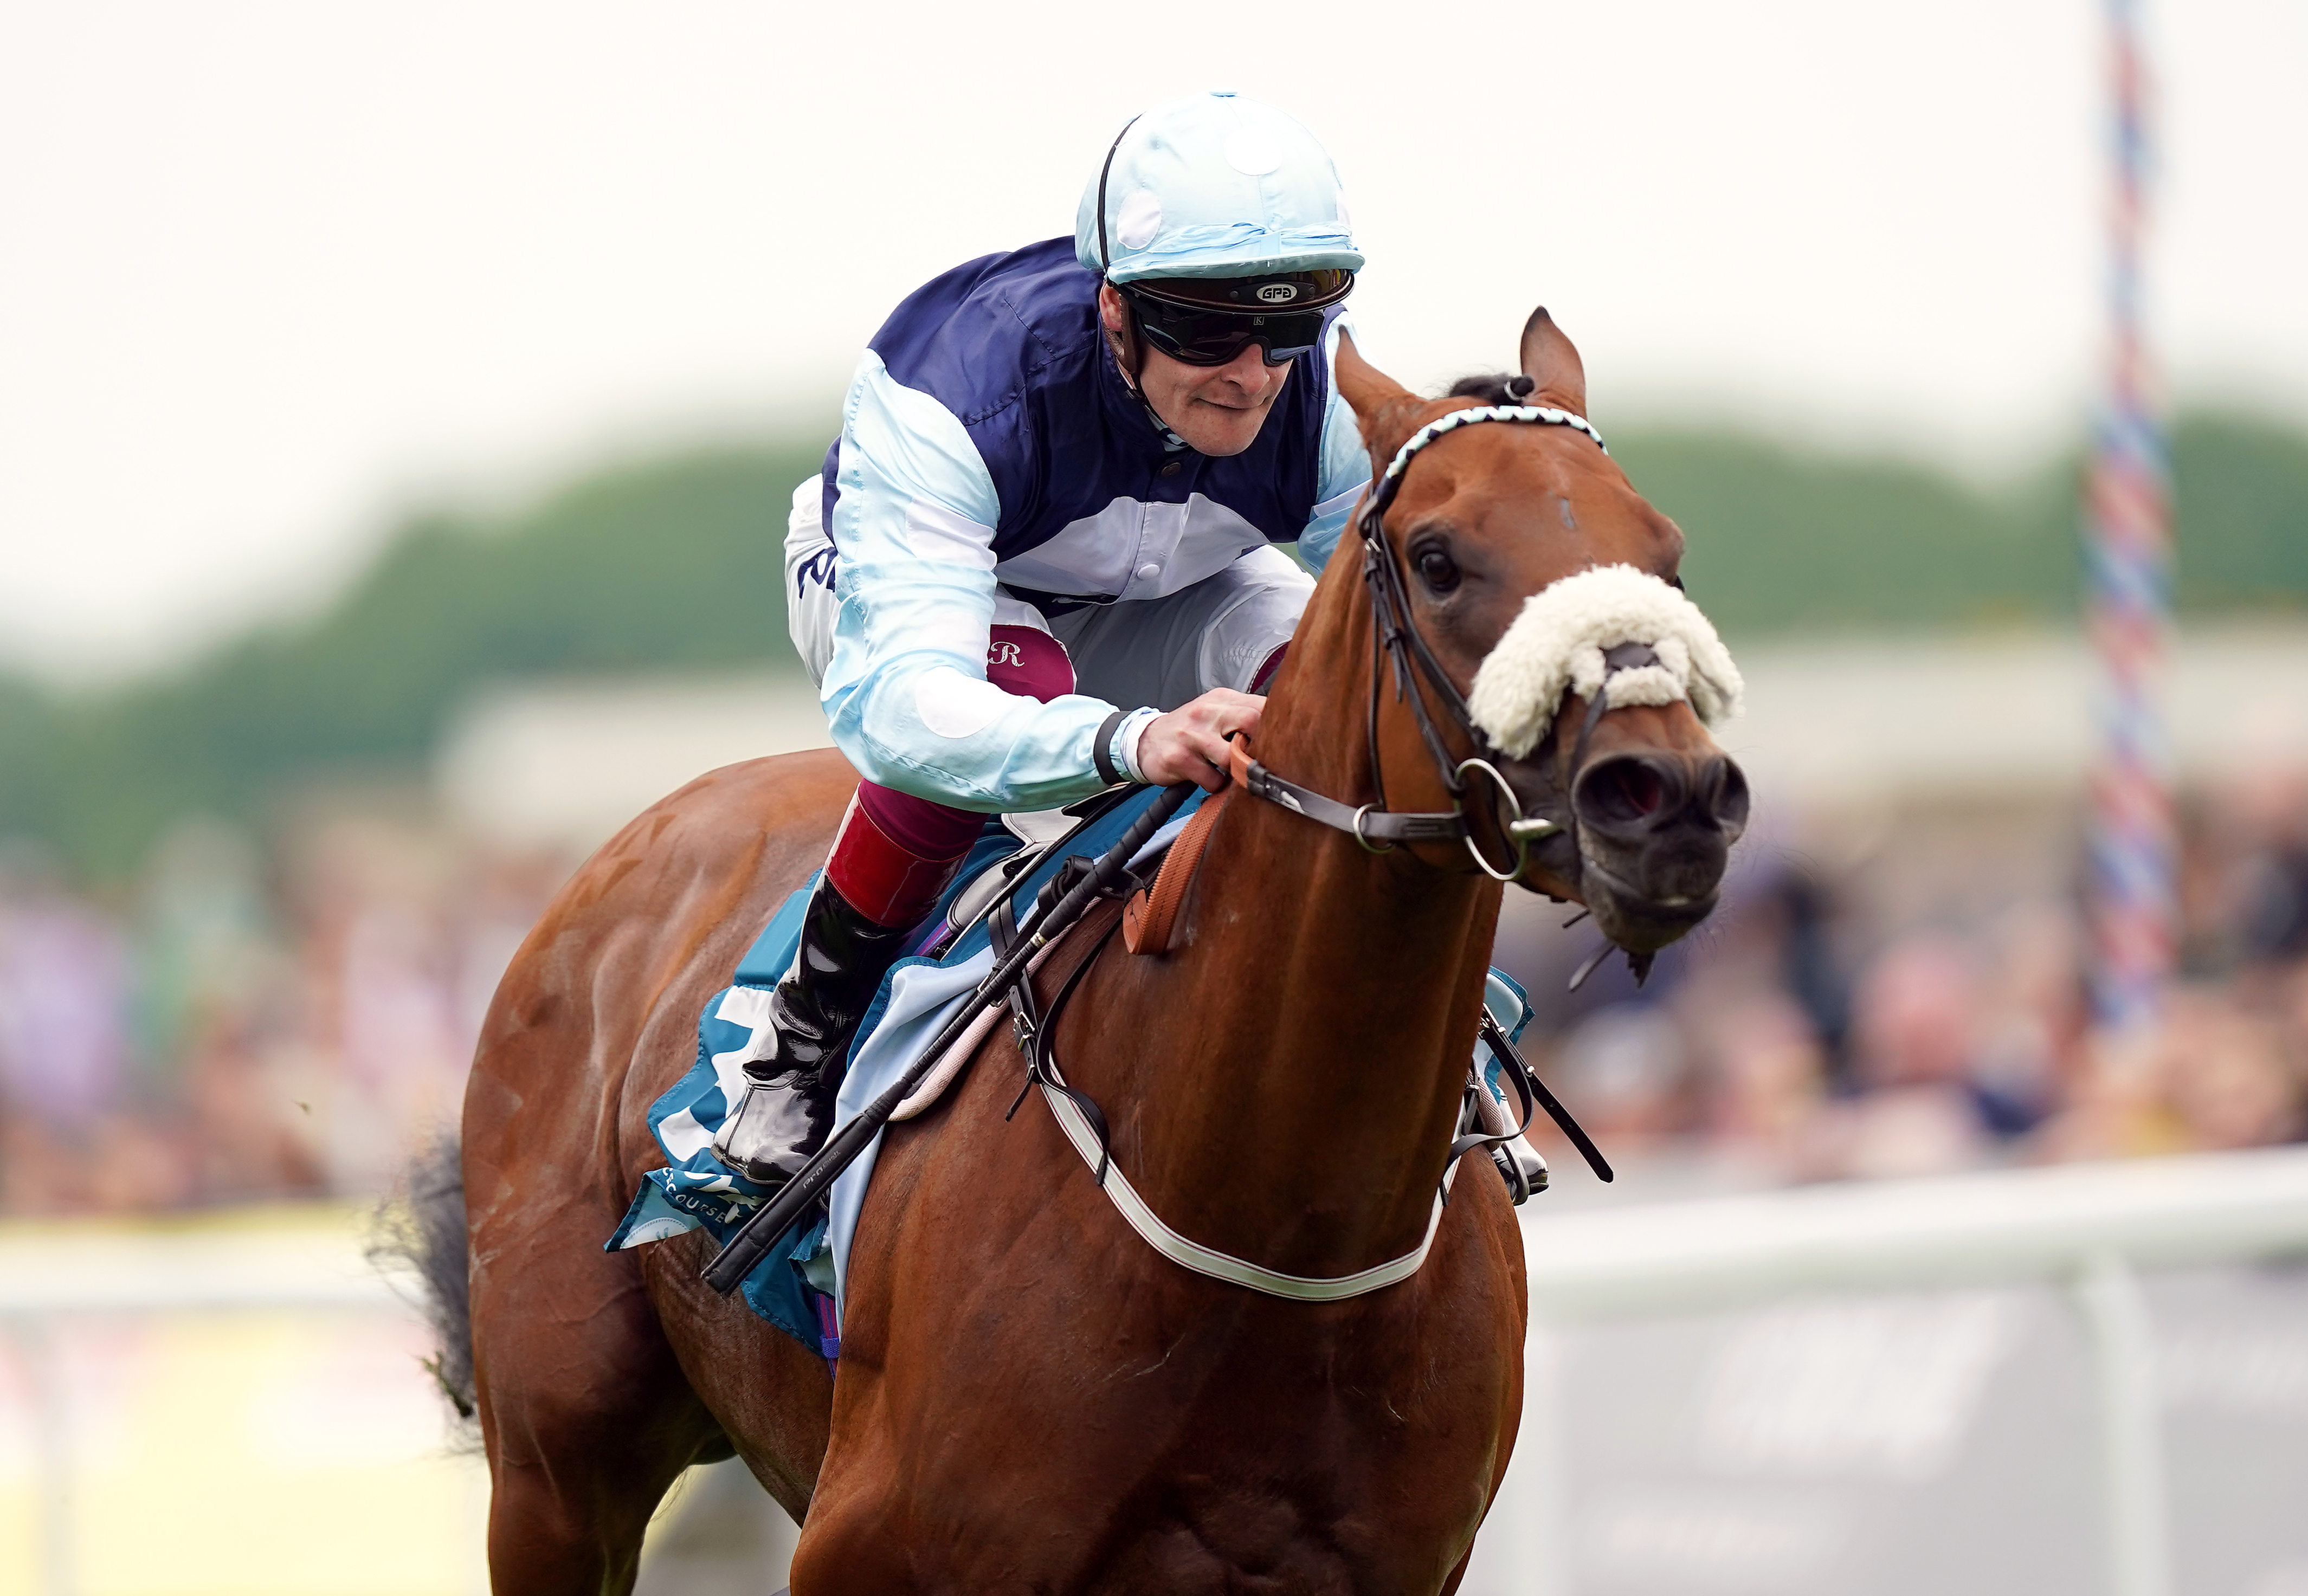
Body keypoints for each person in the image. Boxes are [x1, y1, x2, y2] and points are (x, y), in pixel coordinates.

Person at [715, 89, 1371, 1187]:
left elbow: (1403, 630)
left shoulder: (1314, 402)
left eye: (1292, 320)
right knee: (1017, 684)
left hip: (1173, 587)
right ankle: (799, 1043)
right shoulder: (957, 390)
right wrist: (1129, 742)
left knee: (1330, 684)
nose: (1252, 372)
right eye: (1207, 328)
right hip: (921, 598)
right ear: (1112, 309)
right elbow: (906, 709)